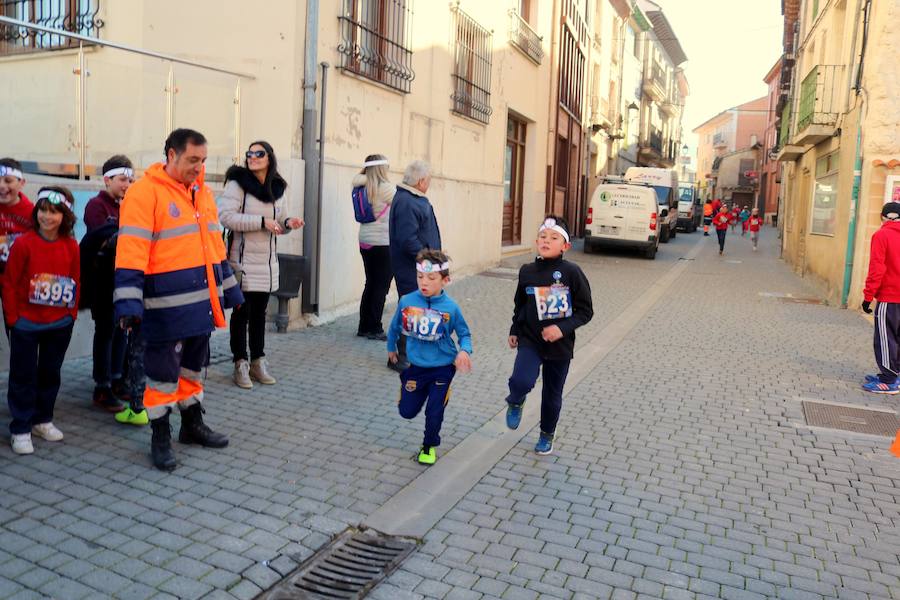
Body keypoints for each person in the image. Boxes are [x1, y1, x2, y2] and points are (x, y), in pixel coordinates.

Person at [115, 128, 243, 471]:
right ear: (171, 155)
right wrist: (127, 304)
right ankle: (160, 435)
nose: (198, 167)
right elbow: (131, 250)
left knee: (192, 370)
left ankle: (191, 424)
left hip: (199, 305)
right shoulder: (144, 194)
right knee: (161, 376)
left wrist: (229, 290)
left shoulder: (201, 193)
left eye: (203, 160)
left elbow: (215, 246)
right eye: (192, 160)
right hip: (164, 308)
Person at [505, 216, 593, 456]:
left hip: (560, 346)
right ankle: (516, 399)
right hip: (530, 339)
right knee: (521, 380)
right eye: (543, 236)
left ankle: (546, 434)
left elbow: (586, 311)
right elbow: (519, 305)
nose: (547, 241)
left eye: (554, 238)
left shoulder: (572, 273)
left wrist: (561, 329)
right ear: (536, 241)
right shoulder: (527, 271)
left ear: (565, 246)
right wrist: (515, 330)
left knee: (552, 394)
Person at [219, 141, 303, 390]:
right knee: (241, 314)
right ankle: (240, 363)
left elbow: (279, 222)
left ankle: (258, 360)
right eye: (250, 153)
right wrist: (262, 222)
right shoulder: (237, 184)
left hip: (267, 264)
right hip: (242, 262)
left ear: (269, 158)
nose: (253, 157)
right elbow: (226, 217)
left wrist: (289, 223)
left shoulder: (278, 187)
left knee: (259, 314)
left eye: (259, 153)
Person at [3, 187, 79, 455]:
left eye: (54, 212)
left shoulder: (71, 245)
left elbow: (75, 280)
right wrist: (14, 318)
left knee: (50, 374)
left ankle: (42, 419)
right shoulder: (24, 243)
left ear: (65, 216)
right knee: (22, 376)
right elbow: (10, 282)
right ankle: (21, 427)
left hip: (59, 324)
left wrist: (70, 315)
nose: (47, 217)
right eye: (43, 210)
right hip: (26, 324)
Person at [386, 249, 472, 465]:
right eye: (420, 277)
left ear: (445, 280)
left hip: (443, 367)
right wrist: (391, 347)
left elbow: (464, 334)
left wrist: (464, 351)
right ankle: (407, 382)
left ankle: (428, 446)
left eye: (431, 278)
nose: (424, 282)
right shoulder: (407, 301)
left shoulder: (451, 308)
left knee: (434, 411)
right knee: (406, 412)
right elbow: (395, 326)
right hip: (416, 367)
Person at [81, 155, 134, 414]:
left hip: (123, 280)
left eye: (130, 180)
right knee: (105, 334)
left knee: (122, 330)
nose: (127, 184)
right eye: (123, 179)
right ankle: (101, 387)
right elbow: (100, 239)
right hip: (102, 282)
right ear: (107, 180)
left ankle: (117, 379)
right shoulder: (95, 206)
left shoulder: (128, 207)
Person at [388, 160, 441, 372]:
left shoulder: (410, 199)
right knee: (411, 308)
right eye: (428, 180)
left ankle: (410, 354)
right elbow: (408, 239)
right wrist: (427, 261)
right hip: (412, 267)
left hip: (418, 266)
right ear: (420, 181)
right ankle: (402, 357)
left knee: (416, 308)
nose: (429, 184)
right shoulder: (408, 201)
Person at [354, 154, 395, 341]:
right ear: (381, 169)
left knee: (370, 283)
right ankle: (376, 328)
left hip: (365, 241)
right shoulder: (385, 188)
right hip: (382, 243)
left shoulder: (359, 186)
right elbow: (401, 206)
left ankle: (363, 326)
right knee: (381, 286)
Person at [861, 202, 900, 394]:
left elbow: (877, 268)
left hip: (890, 296)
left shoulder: (881, 235)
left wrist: (868, 296)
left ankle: (888, 380)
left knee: (885, 338)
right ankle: (896, 374)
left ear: (883, 217)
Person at [0, 158, 34, 319]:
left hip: (17, 282)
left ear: (21, 182)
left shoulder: (33, 213)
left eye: (8, 181)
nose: (1, 186)